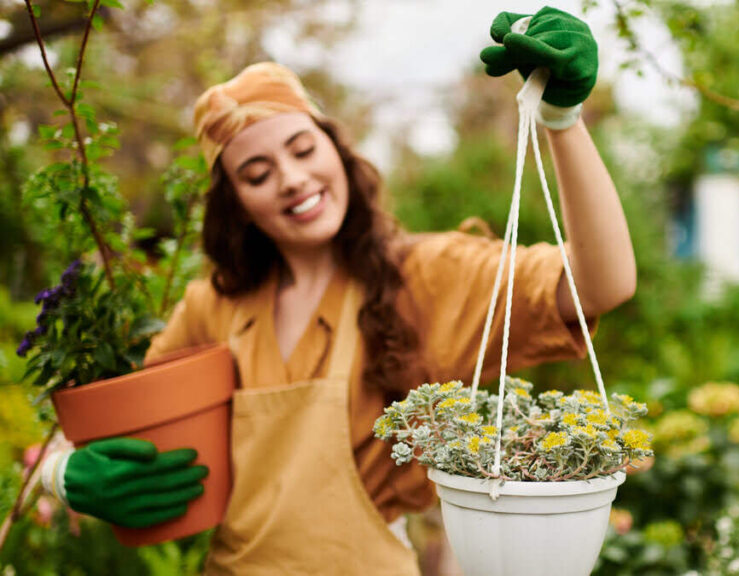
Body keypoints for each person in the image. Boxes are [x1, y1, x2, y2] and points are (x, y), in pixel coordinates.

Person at [38, 6, 636, 574]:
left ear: (338, 151)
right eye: (257, 173)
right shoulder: (213, 308)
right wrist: (59, 472)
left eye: (302, 150)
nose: (292, 179)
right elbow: (131, 429)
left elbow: (600, 284)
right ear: (237, 204)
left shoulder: (423, 275)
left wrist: (562, 121)